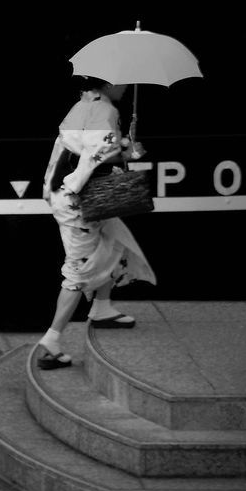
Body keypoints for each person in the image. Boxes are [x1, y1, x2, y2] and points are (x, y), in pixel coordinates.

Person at [36, 76, 156, 370]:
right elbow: (97, 155)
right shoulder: (105, 111)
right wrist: (127, 150)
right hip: (80, 203)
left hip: (70, 197)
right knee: (76, 271)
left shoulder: (82, 105)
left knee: (116, 242)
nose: (127, 86)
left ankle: (101, 307)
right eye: (122, 82)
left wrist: (121, 145)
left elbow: (77, 149)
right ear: (107, 84)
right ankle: (51, 341)